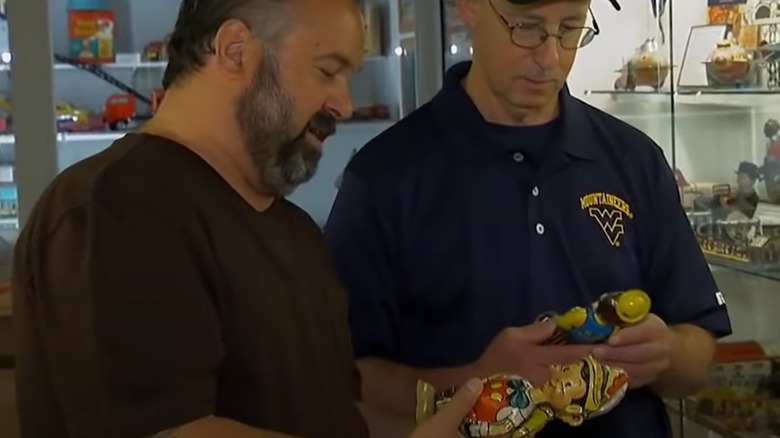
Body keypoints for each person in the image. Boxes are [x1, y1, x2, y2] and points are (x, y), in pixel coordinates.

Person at [11, 0, 482, 437]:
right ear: (236, 50)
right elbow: (171, 429)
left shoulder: (295, 233)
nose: (344, 104)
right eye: (327, 71)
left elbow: (337, 414)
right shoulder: (113, 210)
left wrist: (474, 403)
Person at [324, 0, 733, 437]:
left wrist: (666, 353)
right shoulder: (383, 177)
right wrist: (478, 381)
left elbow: (699, 353)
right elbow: (345, 383)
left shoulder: (636, 161)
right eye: (527, 28)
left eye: (571, 29)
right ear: (469, 8)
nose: (550, 57)